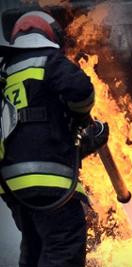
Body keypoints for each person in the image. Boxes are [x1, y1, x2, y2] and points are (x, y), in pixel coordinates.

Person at [0, 10, 100, 266]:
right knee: (64, 245)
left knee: (35, 246)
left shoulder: (5, 71)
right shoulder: (47, 60)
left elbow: (31, 129)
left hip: (11, 184)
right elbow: (82, 92)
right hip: (48, 179)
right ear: (47, 35)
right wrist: (80, 119)